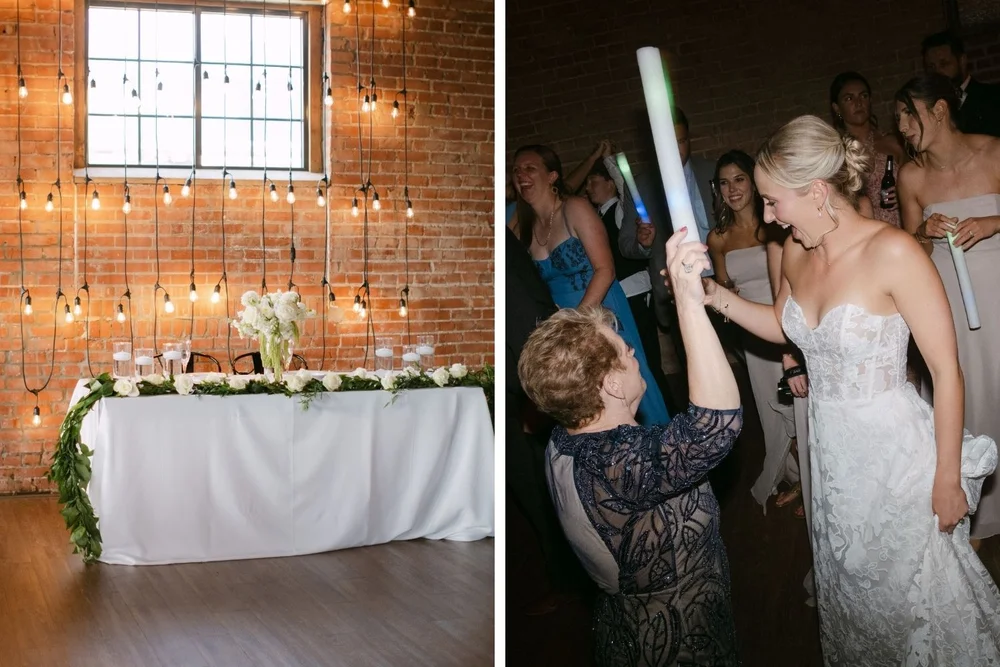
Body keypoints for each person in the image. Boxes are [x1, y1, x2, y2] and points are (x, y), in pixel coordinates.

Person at [704, 114, 1000, 664]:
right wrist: (714, 297)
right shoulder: (795, 251)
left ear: (816, 191)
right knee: (855, 588)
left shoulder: (893, 252)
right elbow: (782, 325)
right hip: (832, 453)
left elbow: (946, 371)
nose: (767, 217)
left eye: (773, 201)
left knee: (913, 595)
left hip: (895, 455)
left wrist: (946, 479)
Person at [519, 228, 742, 666]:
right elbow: (716, 426)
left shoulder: (564, 439)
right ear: (612, 383)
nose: (635, 355)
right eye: (626, 351)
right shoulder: (618, 460)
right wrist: (689, 301)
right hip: (675, 641)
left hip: (624, 628)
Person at [896, 72, 1000, 544]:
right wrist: (926, 232)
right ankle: (982, 516)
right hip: (953, 301)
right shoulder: (911, 175)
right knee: (971, 395)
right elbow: (909, 246)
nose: (899, 124)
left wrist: (992, 221)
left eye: (906, 112)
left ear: (939, 109)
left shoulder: (994, 151)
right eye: (897, 116)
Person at [510, 144, 670, 426]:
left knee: (622, 386)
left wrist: (576, 322)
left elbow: (605, 270)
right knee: (587, 401)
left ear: (552, 176)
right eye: (516, 170)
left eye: (530, 168)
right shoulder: (520, 226)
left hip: (601, 313)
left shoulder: (575, 208)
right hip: (562, 322)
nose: (521, 174)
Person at [706, 150, 806, 517]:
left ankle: (813, 483)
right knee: (774, 408)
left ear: (753, 180)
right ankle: (799, 478)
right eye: (723, 182)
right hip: (752, 333)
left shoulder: (776, 224)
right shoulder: (717, 238)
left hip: (788, 327)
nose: (732, 189)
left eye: (739, 179)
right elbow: (724, 289)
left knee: (802, 405)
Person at [583, 154, 678, 414]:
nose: (589, 188)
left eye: (594, 182)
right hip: (620, 296)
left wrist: (611, 161)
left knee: (645, 358)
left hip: (635, 291)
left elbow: (632, 241)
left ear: (610, 185)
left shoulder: (620, 211)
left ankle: (666, 412)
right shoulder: (597, 215)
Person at [829, 71, 906, 227]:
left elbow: (917, 184)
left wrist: (903, 196)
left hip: (898, 228)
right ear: (837, 107)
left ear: (870, 100)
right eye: (849, 98)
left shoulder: (893, 143)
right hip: (858, 233)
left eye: (863, 96)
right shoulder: (833, 153)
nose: (858, 103)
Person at [922, 31, 1000, 138]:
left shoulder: (994, 97)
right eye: (931, 67)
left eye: (944, 64)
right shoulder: (928, 109)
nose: (937, 72)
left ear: (962, 61)